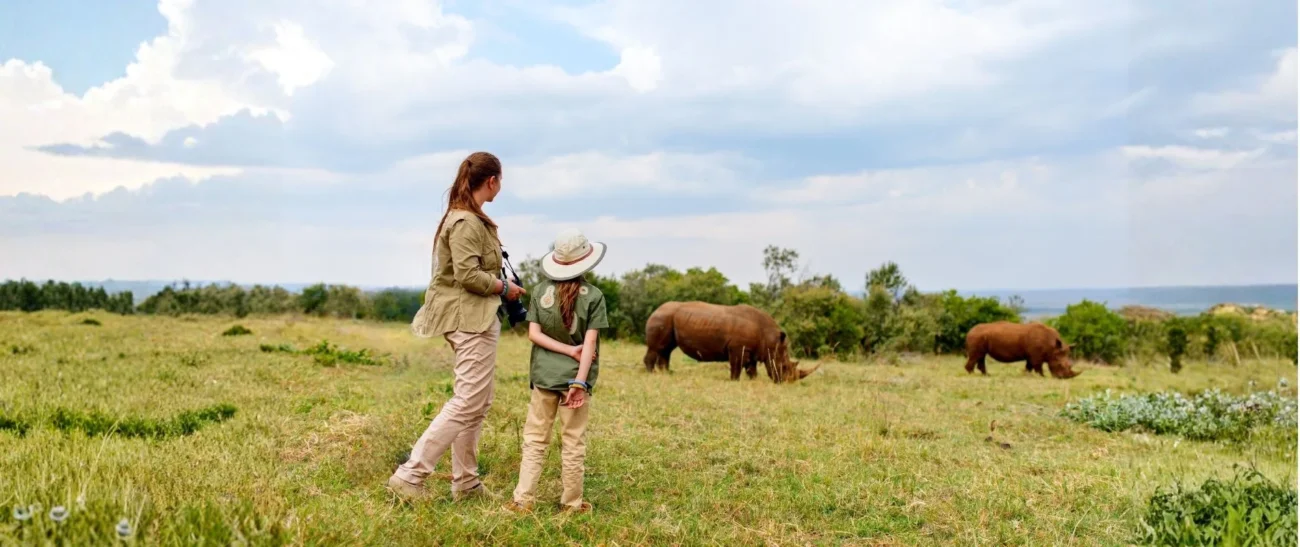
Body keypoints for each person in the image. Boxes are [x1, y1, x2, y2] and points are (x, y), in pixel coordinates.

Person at [387, 151, 526, 502]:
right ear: (491, 181)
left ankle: (466, 483)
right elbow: (467, 275)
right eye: (500, 180)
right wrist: (504, 288)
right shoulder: (465, 221)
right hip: (469, 319)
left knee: (478, 402)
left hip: (475, 317)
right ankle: (410, 475)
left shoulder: (469, 217)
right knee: (467, 401)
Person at [504, 228, 609, 514]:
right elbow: (589, 345)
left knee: (535, 439)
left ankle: (523, 500)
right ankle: (571, 503)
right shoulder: (594, 296)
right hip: (576, 380)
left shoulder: (540, 291)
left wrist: (564, 350)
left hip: (544, 377)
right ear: (585, 261)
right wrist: (579, 382)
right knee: (573, 441)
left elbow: (534, 335)